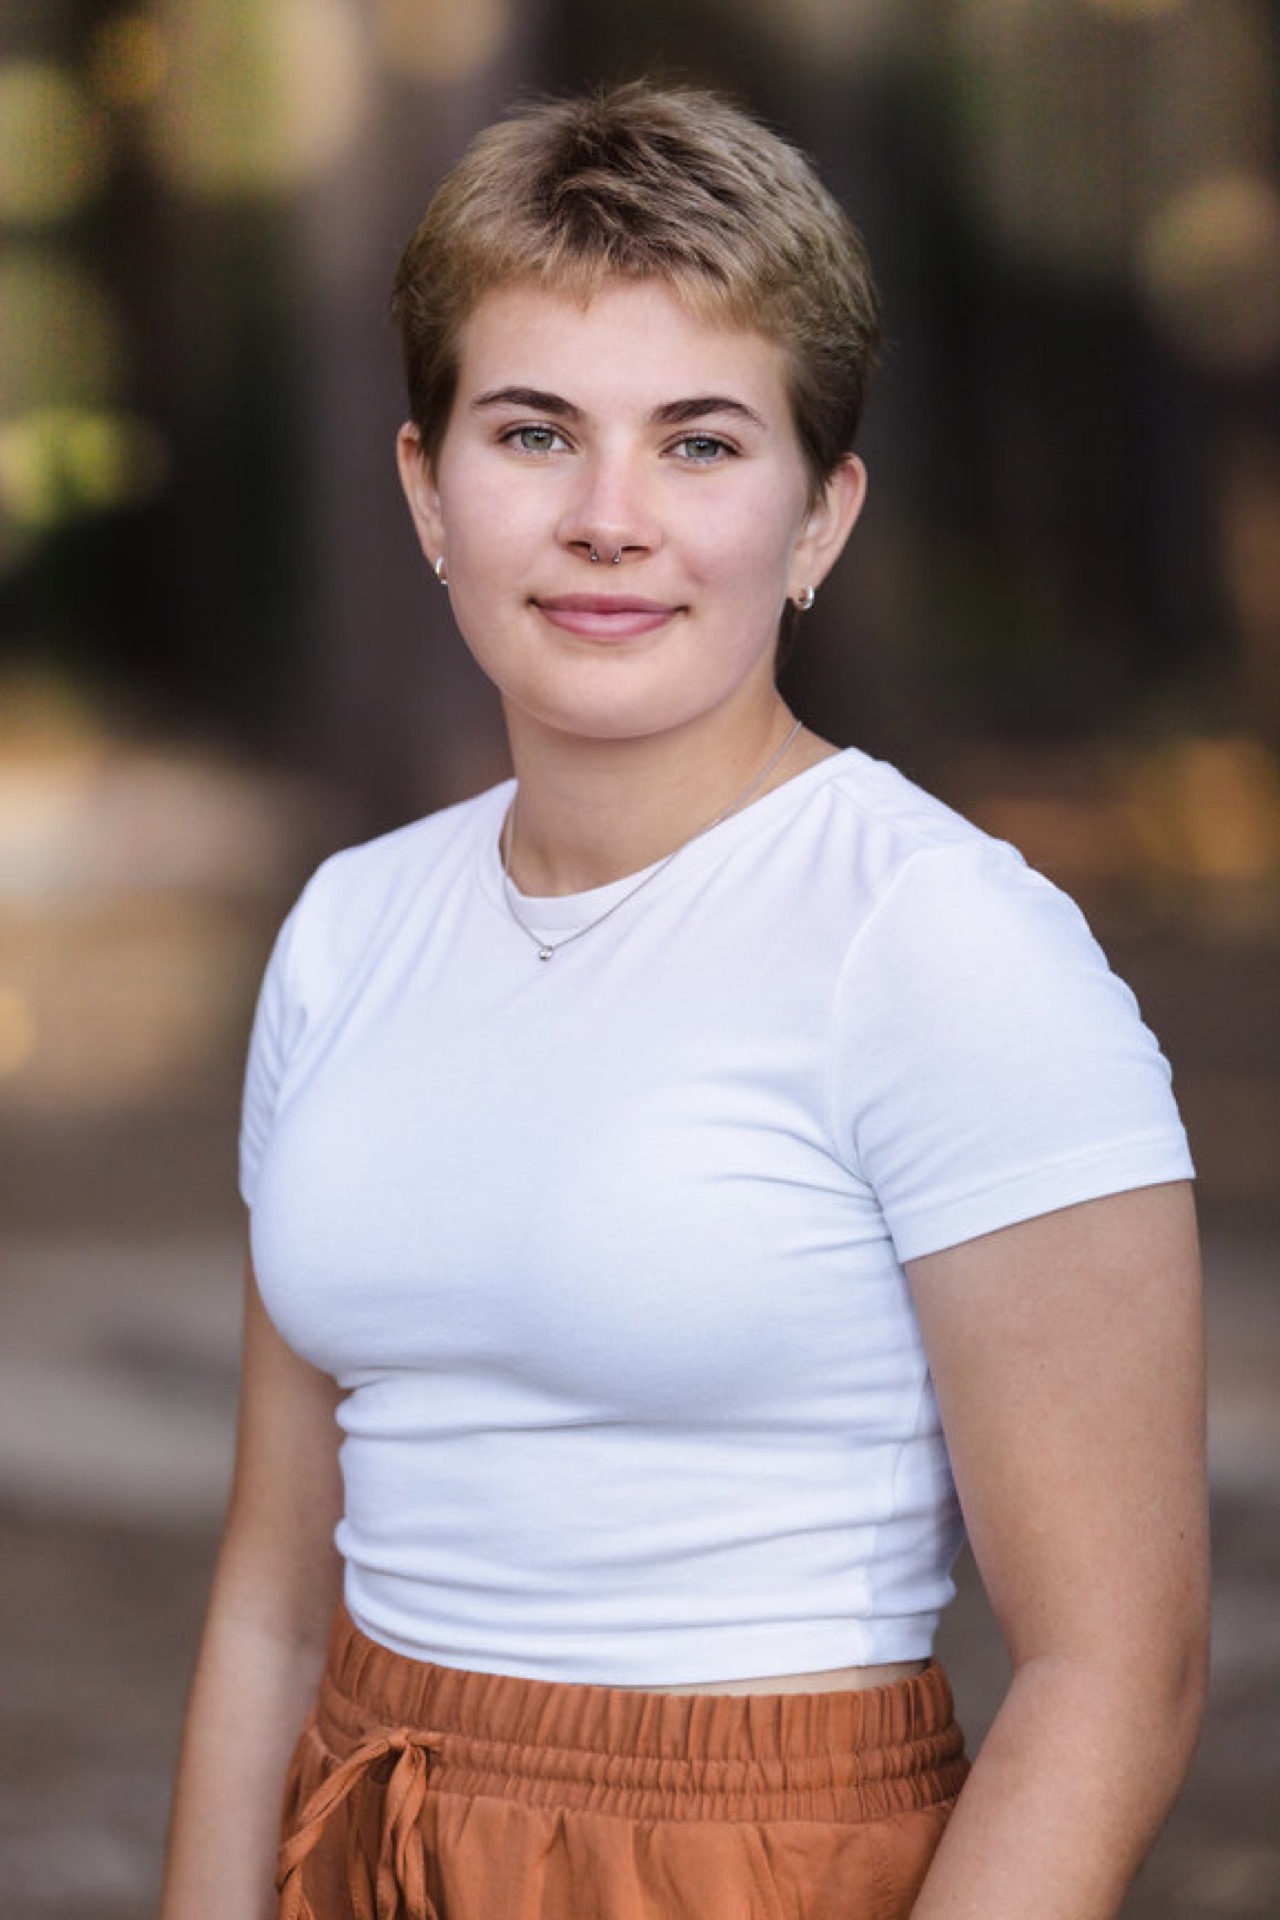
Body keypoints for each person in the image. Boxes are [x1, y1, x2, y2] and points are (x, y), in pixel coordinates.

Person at [160, 82, 1208, 1920]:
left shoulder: (944, 947)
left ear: (822, 516)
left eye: (704, 442)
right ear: (426, 487)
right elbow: (268, 1591)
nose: (611, 518)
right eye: (535, 431)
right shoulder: (348, 929)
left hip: (751, 1866)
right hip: (363, 1830)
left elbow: (1117, 1673)